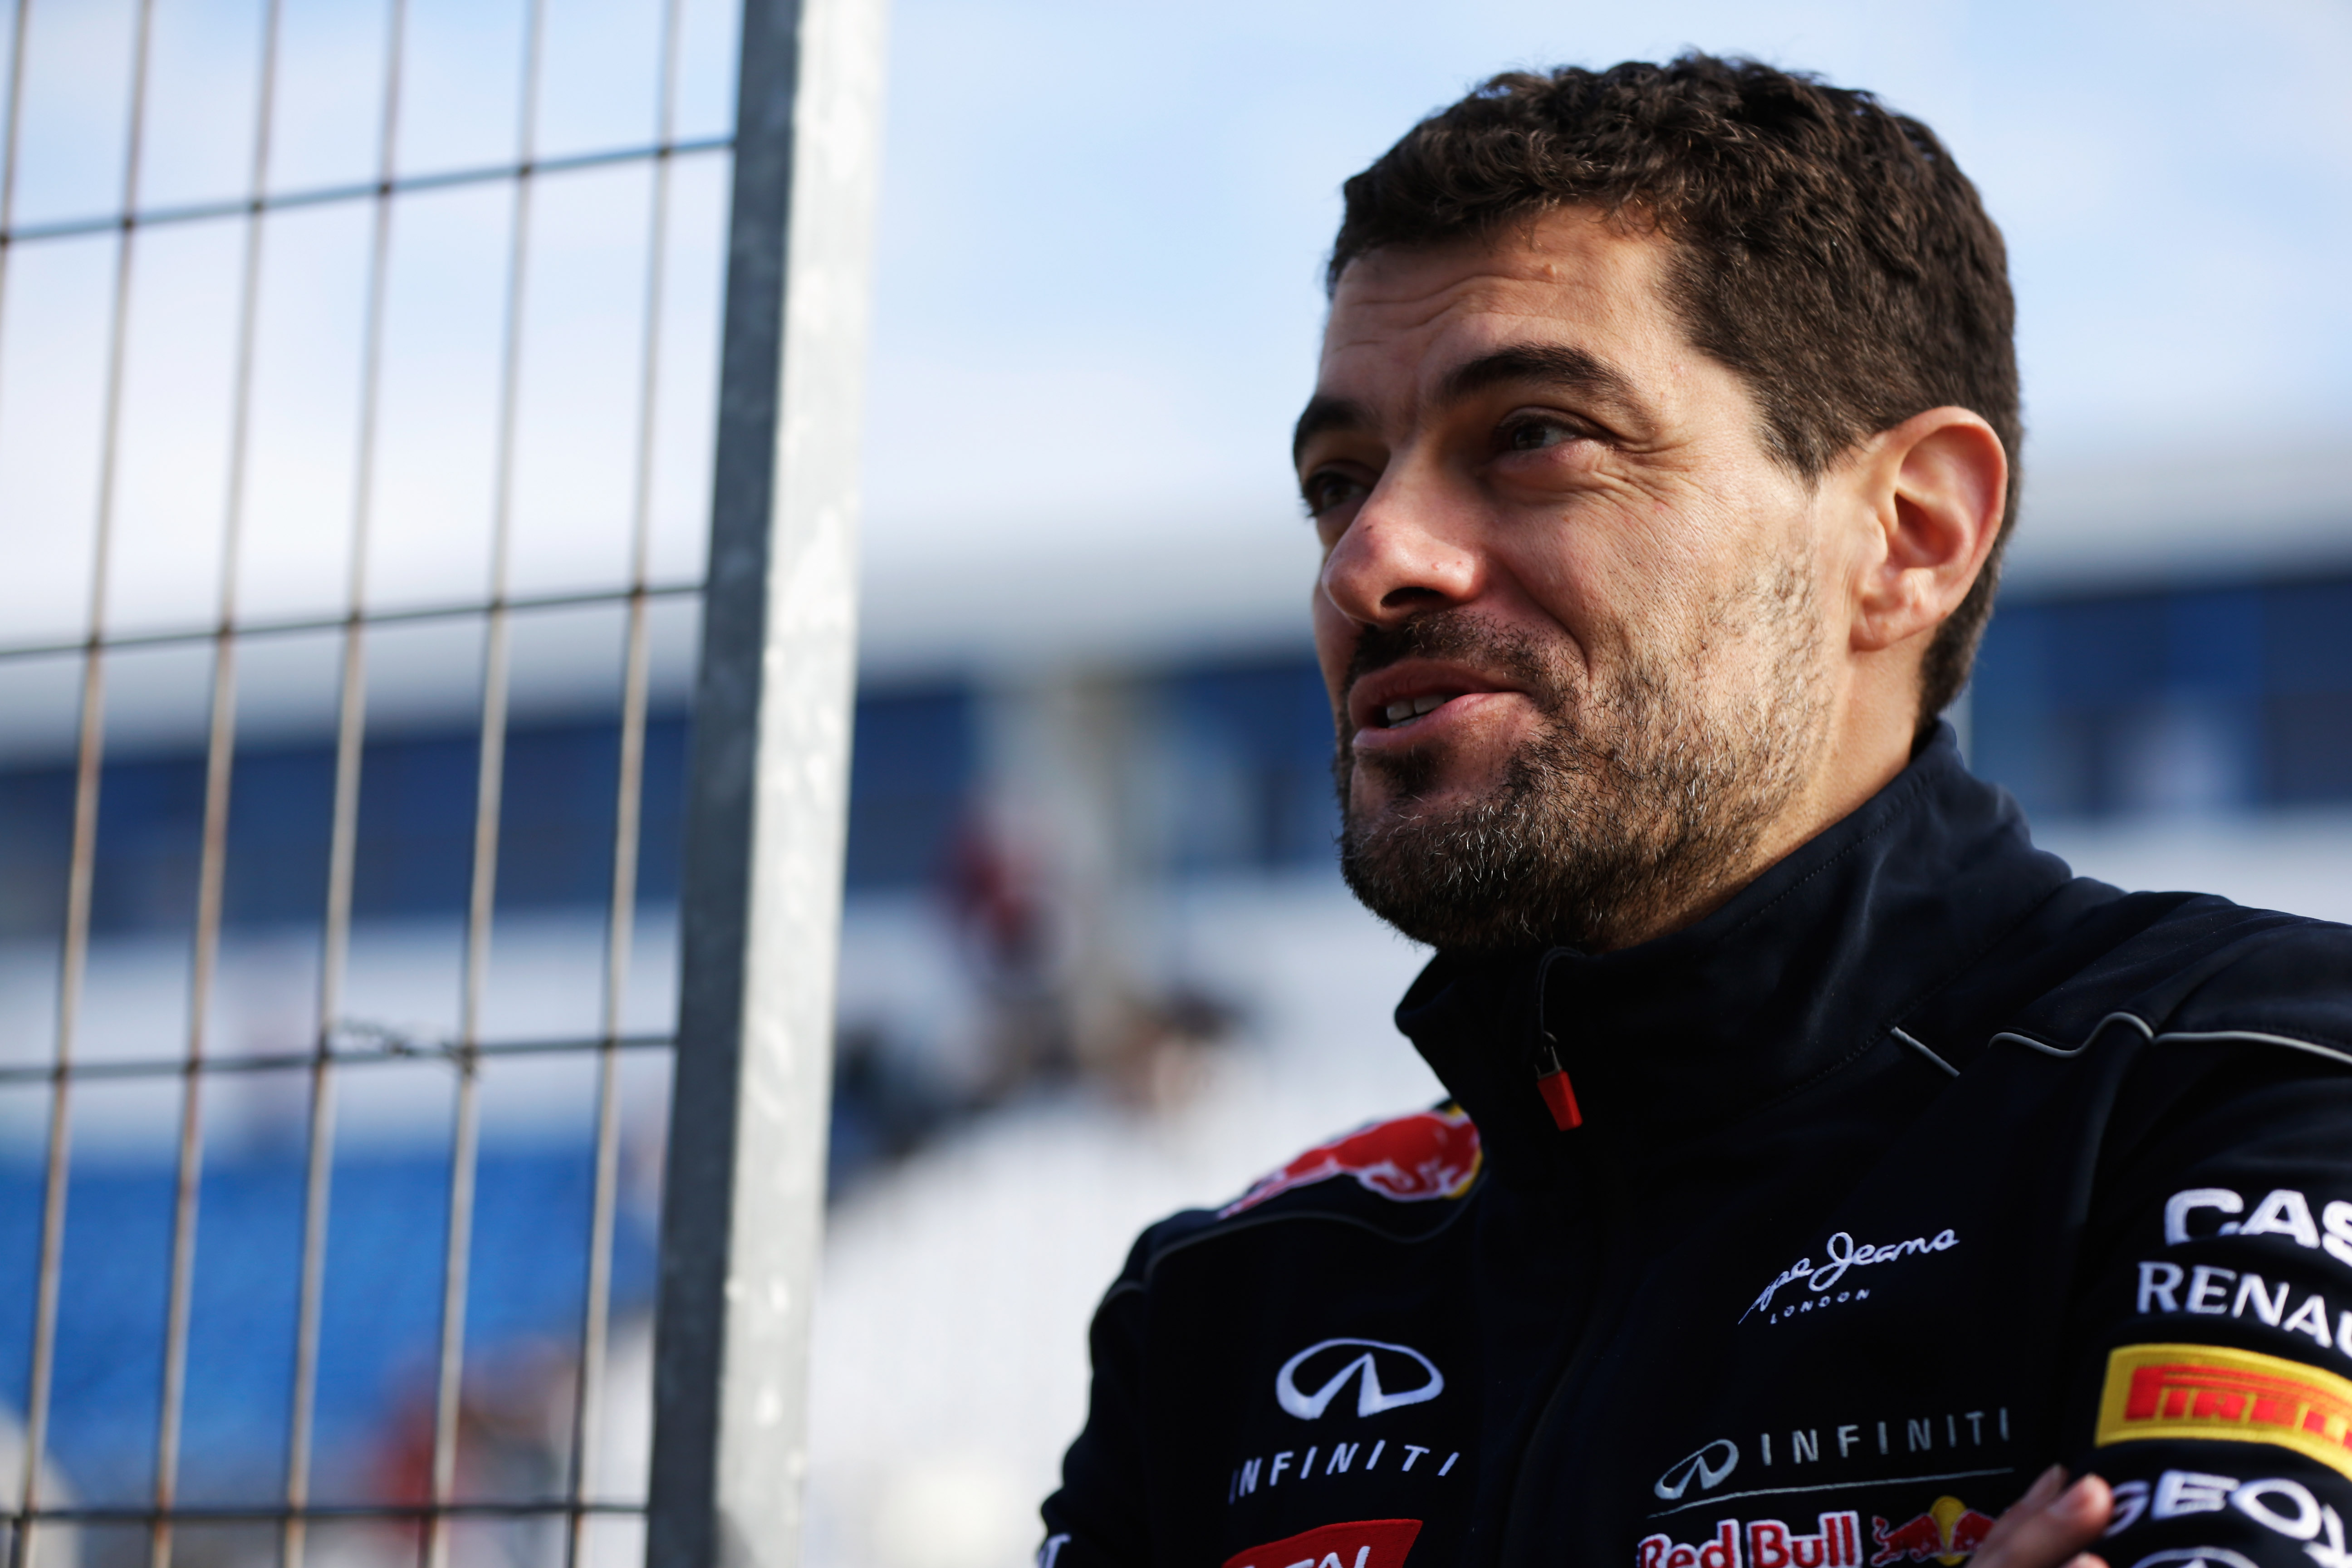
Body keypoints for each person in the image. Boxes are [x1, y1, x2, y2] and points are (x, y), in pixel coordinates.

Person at [1036, 54, 2352, 1568]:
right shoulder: (1232, 1300)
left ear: (1909, 535)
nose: (1369, 560)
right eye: (1339, 479)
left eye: (1533, 434)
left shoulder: (2247, 1081)